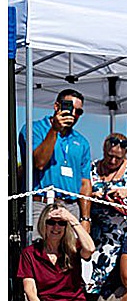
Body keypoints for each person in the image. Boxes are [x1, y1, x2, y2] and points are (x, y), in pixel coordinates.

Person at [19, 89, 92, 238]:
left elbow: (85, 184)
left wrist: (85, 218)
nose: (73, 114)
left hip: (71, 207)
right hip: (41, 203)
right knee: (37, 253)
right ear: (57, 106)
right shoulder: (34, 129)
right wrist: (54, 130)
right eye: (69, 108)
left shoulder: (82, 142)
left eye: (78, 112)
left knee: (70, 255)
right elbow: (39, 162)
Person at [86, 133, 127, 296]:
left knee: (125, 277)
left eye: (118, 158)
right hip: (99, 235)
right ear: (104, 150)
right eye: (110, 156)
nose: (113, 161)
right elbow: (82, 193)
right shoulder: (92, 168)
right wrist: (93, 197)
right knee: (95, 278)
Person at [17, 202, 96, 301]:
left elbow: (90, 248)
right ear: (43, 224)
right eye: (51, 222)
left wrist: (72, 219)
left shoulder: (73, 249)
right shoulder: (30, 253)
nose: (56, 227)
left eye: (61, 223)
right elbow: (30, 290)